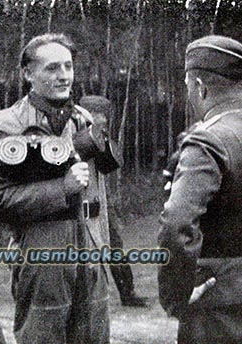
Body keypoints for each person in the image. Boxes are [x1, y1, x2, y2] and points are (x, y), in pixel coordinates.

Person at [0, 33, 110, 343]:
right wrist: (62, 188)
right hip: (43, 254)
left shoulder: (84, 121)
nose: (64, 75)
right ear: (28, 73)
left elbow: (100, 195)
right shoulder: (9, 124)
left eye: (68, 66)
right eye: (52, 68)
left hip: (91, 251)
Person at [158, 35, 242, 344]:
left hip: (220, 305)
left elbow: (177, 223)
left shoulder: (208, 140)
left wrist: (176, 295)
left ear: (199, 87)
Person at [79, 95, 147, 307]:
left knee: (115, 248)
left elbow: (111, 162)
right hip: (81, 208)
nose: (105, 119)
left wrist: (101, 138)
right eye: (100, 115)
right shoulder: (74, 134)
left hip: (101, 207)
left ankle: (127, 293)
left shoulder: (98, 136)